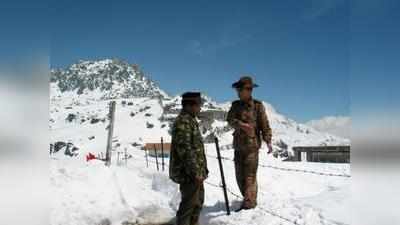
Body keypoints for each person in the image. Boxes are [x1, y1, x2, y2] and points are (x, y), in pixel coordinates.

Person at [226, 76, 273, 211]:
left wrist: (268, 140)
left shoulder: (258, 106)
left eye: (241, 90)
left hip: (252, 147)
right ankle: (247, 199)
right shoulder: (235, 105)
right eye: (238, 90)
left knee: (250, 177)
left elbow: (265, 125)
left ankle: (249, 205)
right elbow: (229, 119)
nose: (238, 92)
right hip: (238, 147)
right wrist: (241, 125)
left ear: (249, 90)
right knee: (239, 176)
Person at [169, 92, 208, 225]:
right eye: (198, 105)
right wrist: (195, 171)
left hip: (196, 173)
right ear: (190, 105)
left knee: (197, 203)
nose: (200, 108)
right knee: (188, 207)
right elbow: (185, 149)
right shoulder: (183, 122)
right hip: (189, 174)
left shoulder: (190, 121)